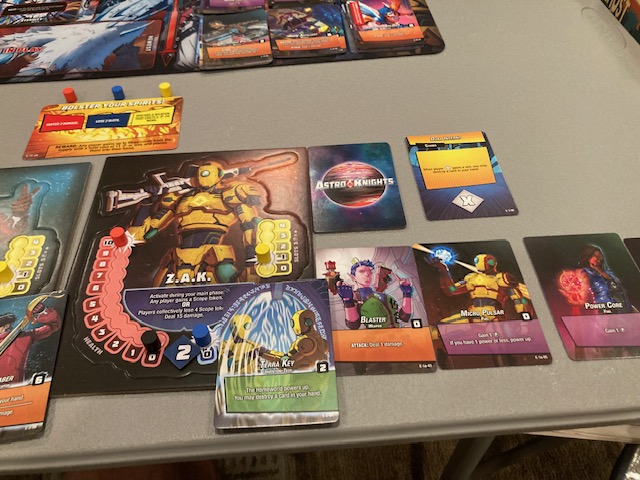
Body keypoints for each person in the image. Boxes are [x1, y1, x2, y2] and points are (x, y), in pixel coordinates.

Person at [336, 258, 413, 330]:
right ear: (353, 277)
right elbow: (353, 325)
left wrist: (407, 294)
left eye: (370, 271)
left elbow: (405, 316)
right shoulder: (354, 296)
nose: (367, 274)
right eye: (361, 271)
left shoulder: (384, 296)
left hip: (398, 335)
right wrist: (347, 301)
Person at [0, 298, 60, 383]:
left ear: (6, 326)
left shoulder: (23, 337)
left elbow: (53, 326)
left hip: (16, 386)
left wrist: (43, 311)